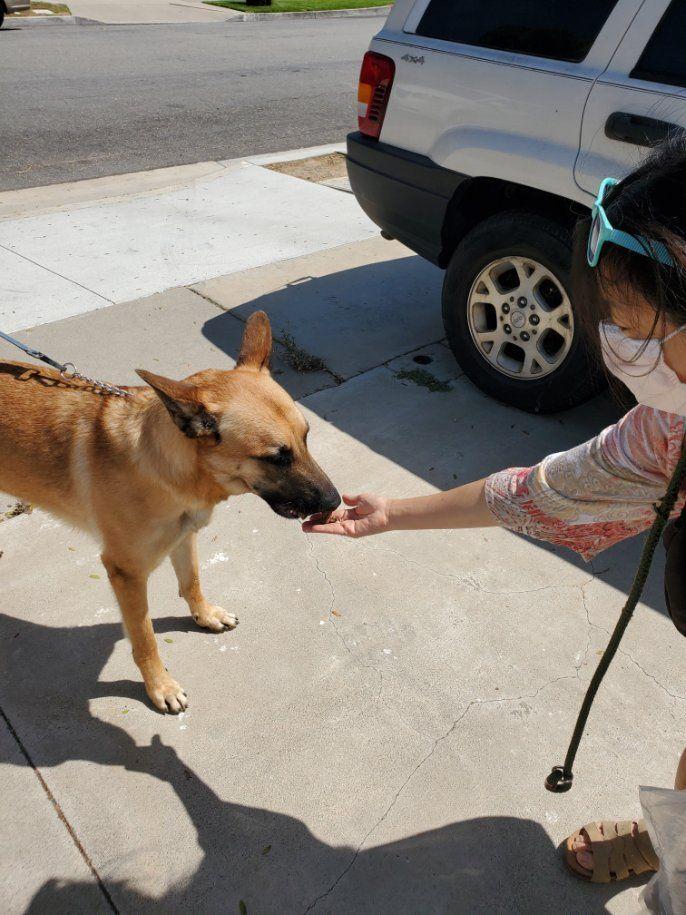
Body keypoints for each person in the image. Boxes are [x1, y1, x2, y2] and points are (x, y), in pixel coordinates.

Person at [304, 137, 686, 887]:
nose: (616, 347)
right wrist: (392, 513)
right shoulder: (671, 427)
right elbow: (546, 488)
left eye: (639, 328)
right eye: (611, 319)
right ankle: (675, 838)